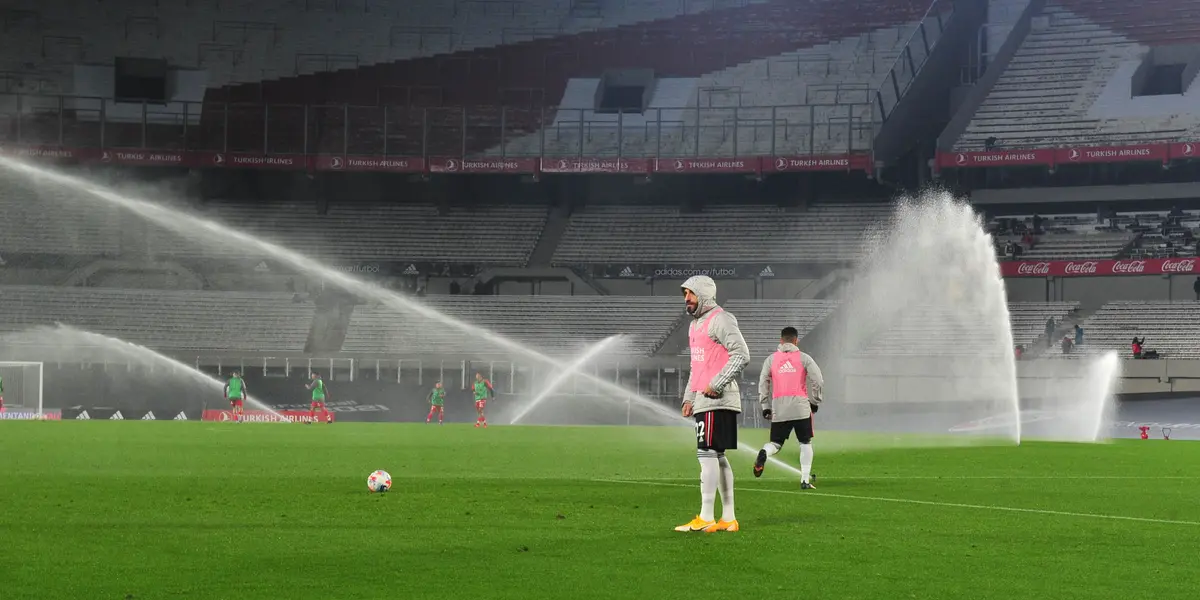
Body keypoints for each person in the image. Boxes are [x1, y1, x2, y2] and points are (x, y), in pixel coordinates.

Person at [675, 275, 750, 533]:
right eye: (685, 294)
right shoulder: (695, 326)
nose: (686, 299)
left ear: (704, 294)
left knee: (705, 454)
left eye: (691, 294)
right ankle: (728, 518)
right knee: (717, 455)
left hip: (717, 398)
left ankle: (706, 516)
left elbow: (742, 354)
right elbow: (697, 367)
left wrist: (717, 383)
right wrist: (689, 397)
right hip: (704, 399)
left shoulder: (721, 319)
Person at [754, 327, 823, 489]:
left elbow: (763, 383)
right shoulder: (804, 358)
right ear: (796, 341)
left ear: (781, 340)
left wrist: (765, 405)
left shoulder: (771, 360)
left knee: (776, 444)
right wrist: (815, 400)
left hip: (779, 407)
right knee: (805, 443)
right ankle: (804, 480)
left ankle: (765, 452)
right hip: (801, 407)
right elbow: (818, 380)